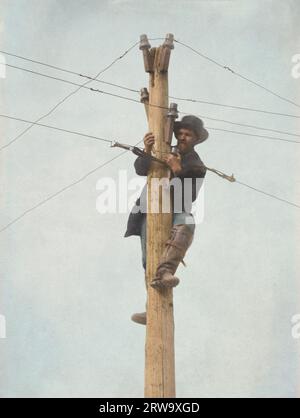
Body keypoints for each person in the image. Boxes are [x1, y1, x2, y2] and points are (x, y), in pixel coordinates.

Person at [124, 115, 208, 325]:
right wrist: (148, 149)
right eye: (180, 133)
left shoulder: (196, 164)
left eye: (188, 134)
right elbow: (141, 169)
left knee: (187, 222)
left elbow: (190, 196)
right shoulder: (166, 150)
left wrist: (178, 170)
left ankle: (165, 272)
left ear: (196, 139)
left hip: (175, 209)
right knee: (148, 258)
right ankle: (151, 306)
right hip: (149, 208)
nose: (182, 137)